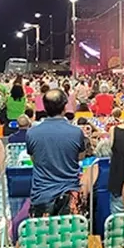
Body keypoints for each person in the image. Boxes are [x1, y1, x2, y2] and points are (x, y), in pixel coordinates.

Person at [25, 88, 89, 217]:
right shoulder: (76, 132)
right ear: (65, 107)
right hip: (70, 196)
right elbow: (80, 157)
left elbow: (34, 159)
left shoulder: (32, 132)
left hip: (41, 196)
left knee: (43, 237)